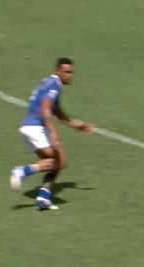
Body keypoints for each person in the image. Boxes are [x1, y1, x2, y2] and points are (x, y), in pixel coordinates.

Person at [10, 57, 94, 210]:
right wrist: (54, 134)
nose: (70, 75)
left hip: (27, 128)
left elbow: (57, 111)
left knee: (53, 163)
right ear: (57, 71)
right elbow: (45, 109)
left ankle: (44, 196)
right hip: (36, 128)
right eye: (66, 72)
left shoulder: (50, 83)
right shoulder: (55, 85)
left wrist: (76, 125)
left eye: (71, 72)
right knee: (61, 162)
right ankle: (23, 171)